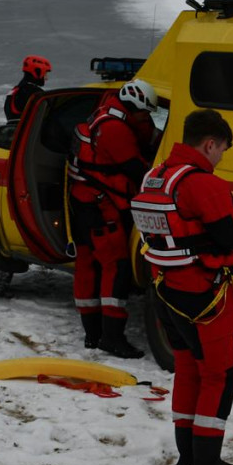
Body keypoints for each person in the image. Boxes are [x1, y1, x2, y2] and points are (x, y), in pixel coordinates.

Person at [131, 109, 233, 465]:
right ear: (209, 144)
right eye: (221, 149)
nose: (221, 157)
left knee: (189, 368)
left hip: (164, 290)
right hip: (205, 295)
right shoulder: (203, 184)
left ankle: (188, 458)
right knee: (221, 375)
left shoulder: (155, 177)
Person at [68, 78, 159, 358]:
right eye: (144, 113)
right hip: (102, 207)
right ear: (132, 107)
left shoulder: (105, 114)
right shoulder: (115, 129)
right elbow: (137, 170)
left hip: (84, 203)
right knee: (116, 268)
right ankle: (111, 337)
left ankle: (93, 334)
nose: (146, 118)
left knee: (87, 266)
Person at [4, 55, 51, 121]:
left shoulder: (14, 91)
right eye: (45, 74)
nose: (46, 78)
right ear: (37, 72)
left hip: (15, 126)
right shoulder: (36, 93)